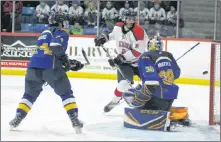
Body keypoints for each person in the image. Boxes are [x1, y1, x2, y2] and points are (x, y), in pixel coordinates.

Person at [9, 26, 84, 134]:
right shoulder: (62, 31)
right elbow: (55, 46)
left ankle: (18, 117)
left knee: (29, 96)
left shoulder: (44, 33)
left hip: (33, 67)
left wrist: (67, 61)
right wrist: (64, 58)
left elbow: (47, 53)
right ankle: (74, 119)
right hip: (50, 68)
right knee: (66, 93)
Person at [122, 37, 190, 131]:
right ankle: (176, 116)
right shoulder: (168, 55)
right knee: (142, 88)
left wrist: (141, 93)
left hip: (157, 96)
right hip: (171, 96)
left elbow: (151, 80)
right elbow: (176, 73)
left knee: (129, 94)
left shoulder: (146, 56)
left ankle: (162, 120)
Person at [94, 11, 148, 113]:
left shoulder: (139, 32)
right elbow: (113, 35)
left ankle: (152, 102)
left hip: (140, 62)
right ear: (124, 18)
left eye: (133, 18)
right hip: (125, 63)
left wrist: (121, 57)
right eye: (128, 18)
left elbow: (138, 51)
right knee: (124, 84)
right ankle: (115, 101)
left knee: (150, 83)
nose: (131, 20)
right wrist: (104, 38)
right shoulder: (118, 27)